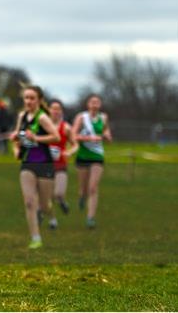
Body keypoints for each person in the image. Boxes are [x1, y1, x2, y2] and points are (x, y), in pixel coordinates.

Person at [11, 85, 60, 249]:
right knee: (30, 202)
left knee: (45, 205)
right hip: (27, 164)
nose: (28, 101)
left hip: (44, 164)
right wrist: (16, 145)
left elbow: (56, 136)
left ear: (39, 100)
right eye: (26, 98)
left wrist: (36, 137)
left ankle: (50, 214)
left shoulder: (42, 118)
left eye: (32, 98)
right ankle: (35, 237)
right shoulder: (22, 116)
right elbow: (18, 138)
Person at [72, 94, 112, 229]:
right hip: (83, 156)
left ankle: (90, 218)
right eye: (92, 102)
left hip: (97, 157)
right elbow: (73, 135)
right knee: (83, 189)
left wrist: (106, 137)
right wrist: (88, 139)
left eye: (97, 102)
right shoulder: (81, 117)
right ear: (88, 104)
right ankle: (82, 197)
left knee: (93, 187)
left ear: (100, 104)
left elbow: (108, 136)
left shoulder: (104, 117)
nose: (94, 104)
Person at [48, 99, 79, 219]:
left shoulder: (66, 127)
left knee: (58, 194)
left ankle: (62, 202)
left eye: (58, 109)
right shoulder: (44, 126)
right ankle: (52, 220)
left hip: (61, 165)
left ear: (61, 111)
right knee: (48, 195)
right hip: (46, 165)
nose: (56, 111)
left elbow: (75, 144)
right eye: (53, 108)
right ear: (49, 110)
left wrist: (69, 152)